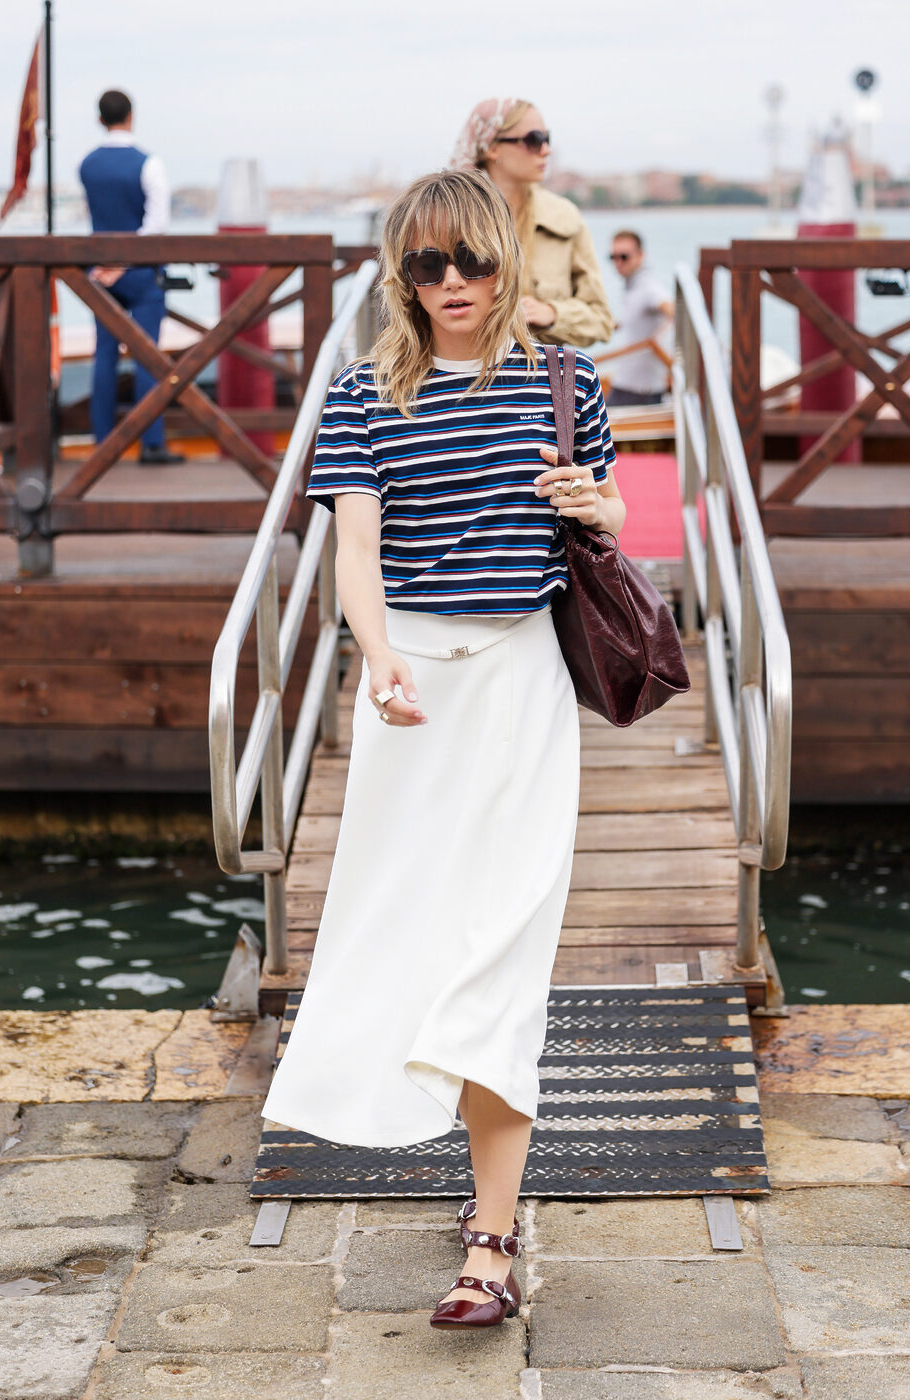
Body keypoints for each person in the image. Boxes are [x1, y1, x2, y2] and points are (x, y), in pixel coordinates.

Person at [260, 168, 625, 1330]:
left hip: (523, 682)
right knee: (403, 937)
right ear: (401, 274)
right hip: (412, 691)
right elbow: (355, 549)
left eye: (471, 259)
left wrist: (596, 505)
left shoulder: (565, 382)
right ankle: (445, 1151)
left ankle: (490, 1240)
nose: (452, 281)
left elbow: (614, 515)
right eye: (428, 263)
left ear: (504, 259)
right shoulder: (363, 392)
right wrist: (375, 654)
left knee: (502, 951)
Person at [450, 98, 614, 349]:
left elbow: (602, 321)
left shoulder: (564, 217)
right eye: (534, 140)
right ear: (492, 148)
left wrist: (553, 314)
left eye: (547, 139)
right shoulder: (448, 219)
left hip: (541, 371)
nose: (546, 149)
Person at [78, 89, 183, 464]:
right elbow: (156, 226)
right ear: (131, 115)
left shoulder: (86, 165)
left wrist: (108, 264)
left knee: (104, 355)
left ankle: (103, 443)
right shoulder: (148, 163)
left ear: (99, 119)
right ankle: (151, 444)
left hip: (99, 274)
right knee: (147, 356)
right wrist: (124, 263)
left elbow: (97, 218)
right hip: (139, 274)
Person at [606, 230, 674, 406]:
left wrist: (658, 341)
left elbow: (676, 313)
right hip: (625, 386)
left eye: (624, 257)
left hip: (640, 391)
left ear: (640, 255)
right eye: (613, 257)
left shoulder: (648, 288)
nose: (618, 262)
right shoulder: (632, 288)